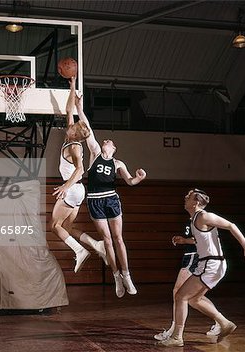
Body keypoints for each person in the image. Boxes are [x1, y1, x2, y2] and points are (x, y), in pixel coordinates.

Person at [69, 77, 146, 298]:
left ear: (115, 148)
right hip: (95, 200)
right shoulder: (94, 153)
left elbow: (130, 181)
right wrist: (78, 107)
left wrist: (139, 178)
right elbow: (88, 128)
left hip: (111, 198)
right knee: (108, 241)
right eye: (106, 140)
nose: (107, 140)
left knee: (119, 239)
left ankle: (127, 275)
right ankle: (116, 278)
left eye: (110, 141)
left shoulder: (118, 163)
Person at [157, 189, 245, 347]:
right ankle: (224, 323)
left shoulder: (204, 215)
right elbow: (202, 240)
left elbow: (231, 225)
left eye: (189, 197)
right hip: (208, 263)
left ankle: (177, 337)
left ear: (196, 202)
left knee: (180, 296)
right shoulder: (194, 219)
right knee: (193, 299)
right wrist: (185, 241)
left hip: (212, 264)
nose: (185, 198)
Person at [51, 79, 108, 273]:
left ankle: (80, 251)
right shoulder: (71, 136)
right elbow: (69, 110)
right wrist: (72, 86)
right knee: (67, 225)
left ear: (76, 135)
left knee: (55, 226)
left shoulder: (74, 146)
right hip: (78, 191)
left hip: (73, 188)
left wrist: (65, 187)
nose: (72, 124)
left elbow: (80, 170)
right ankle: (96, 244)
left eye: (74, 127)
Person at [154, 223, 219, 341]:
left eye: (187, 202)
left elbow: (199, 239)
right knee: (194, 295)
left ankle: (174, 330)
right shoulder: (193, 218)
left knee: (178, 291)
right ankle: (220, 321)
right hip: (190, 255)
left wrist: (184, 240)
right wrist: (183, 239)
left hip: (194, 256)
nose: (185, 203)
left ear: (196, 203)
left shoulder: (200, 218)